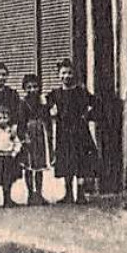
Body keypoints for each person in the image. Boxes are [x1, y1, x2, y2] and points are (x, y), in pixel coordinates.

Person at [50, 58, 100, 204]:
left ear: (74, 75)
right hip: (63, 132)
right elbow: (46, 108)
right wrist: (51, 111)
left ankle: (81, 194)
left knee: (81, 162)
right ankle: (68, 194)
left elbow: (96, 103)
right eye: (63, 73)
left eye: (69, 73)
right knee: (66, 161)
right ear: (58, 75)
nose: (66, 76)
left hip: (79, 132)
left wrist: (87, 116)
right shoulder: (55, 94)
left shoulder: (81, 92)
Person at [17, 73, 52, 205]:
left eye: (35, 87)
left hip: (40, 135)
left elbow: (47, 119)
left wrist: (48, 136)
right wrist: (24, 137)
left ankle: (39, 194)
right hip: (29, 134)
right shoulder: (22, 103)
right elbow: (20, 122)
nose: (32, 90)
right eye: (29, 87)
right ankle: (30, 194)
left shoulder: (42, 102)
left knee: (39, 166)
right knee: (28, 166)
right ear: (24, 89)